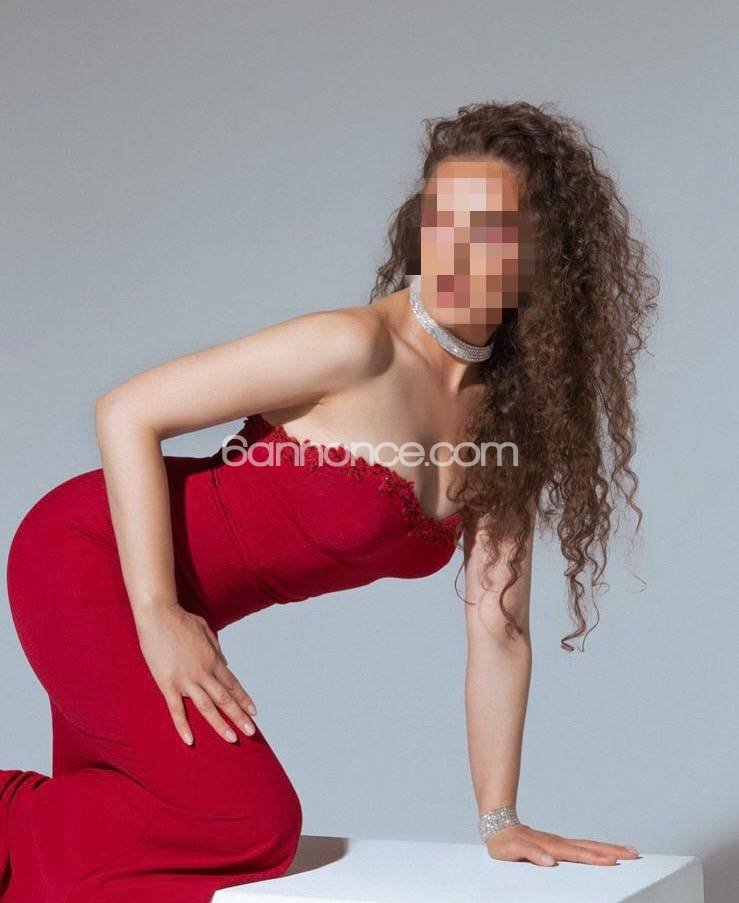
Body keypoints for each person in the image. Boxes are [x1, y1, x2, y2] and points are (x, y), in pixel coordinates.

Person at [2, 100, 657, 901]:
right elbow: (125, 410)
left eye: (487, 225)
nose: (455, 248)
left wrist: (499, 818)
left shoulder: (505, 419)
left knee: (127, 842)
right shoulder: (356, 346)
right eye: (442, 218)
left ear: (538, 245)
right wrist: (158, 612)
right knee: (248, 825)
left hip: (160, 601)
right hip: (90, 559)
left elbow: (499, 625)